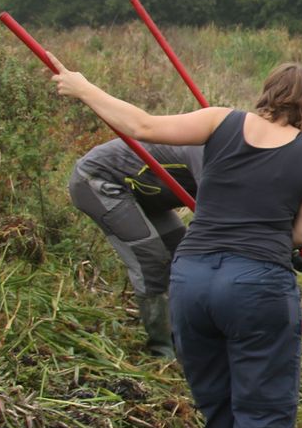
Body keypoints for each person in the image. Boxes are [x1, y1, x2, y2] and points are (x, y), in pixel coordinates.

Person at [49, 55, 302, 428]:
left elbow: (140, 124)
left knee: (219, 401)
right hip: (257, 286)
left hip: (193, 277)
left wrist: (84, 86)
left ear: (269, 93)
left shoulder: (218, 119)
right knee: (263, 411)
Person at [69, 139, 204, 358]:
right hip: (100, 181)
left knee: (184, 254)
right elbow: (217, 220)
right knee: (151, 259)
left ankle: (186, 334)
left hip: (146, 194)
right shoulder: (219, 156)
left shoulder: (264, 162)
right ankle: (163, 352)